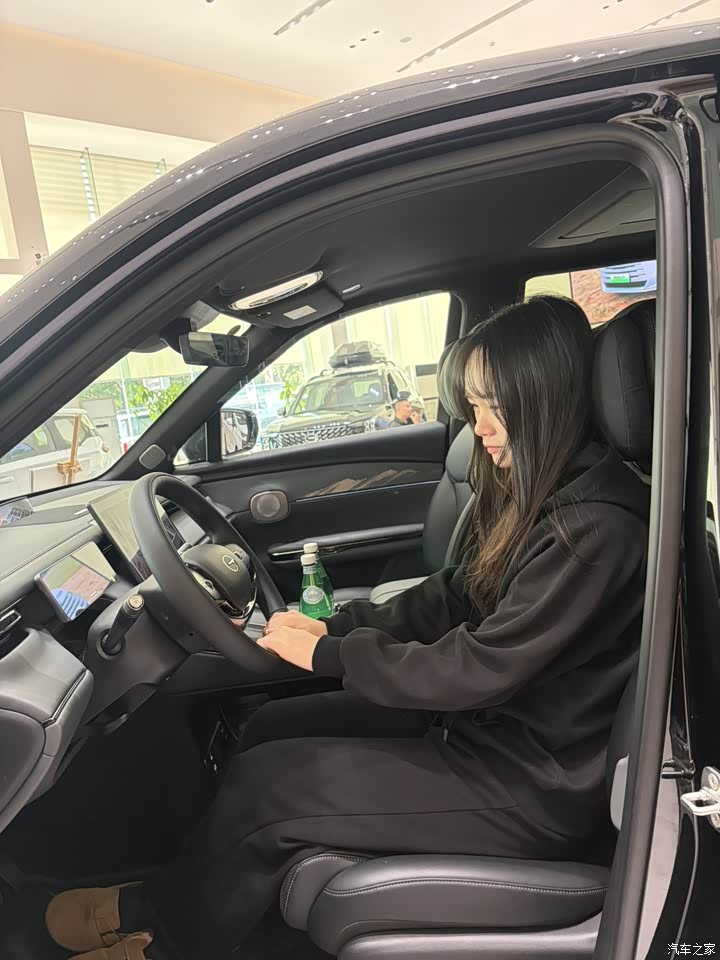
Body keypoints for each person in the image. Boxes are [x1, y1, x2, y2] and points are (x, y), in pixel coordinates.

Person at [45, 296, 650, 960]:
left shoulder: (596, 531)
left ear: (546, 398)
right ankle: (182, 899)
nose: (478, 428)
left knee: (271, 789)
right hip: (488, 730)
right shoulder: (547, 497)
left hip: (528, 786)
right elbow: (453, 598)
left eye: (493, 407)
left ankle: (165, 941)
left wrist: (334, 654)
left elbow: (480, 667)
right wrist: (332, 627)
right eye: (473, 406)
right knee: (270, 728)